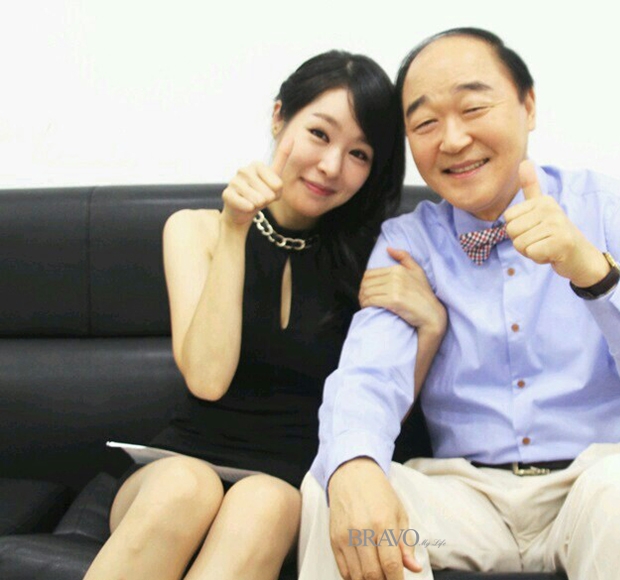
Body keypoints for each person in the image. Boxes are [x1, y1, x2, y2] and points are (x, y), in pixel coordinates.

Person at [298, 29, 620, 580]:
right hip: (466, 499)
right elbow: (368, 374)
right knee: (335, 488)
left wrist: (594, 274)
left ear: (529, 105)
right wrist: (353, 465)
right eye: (425, 123)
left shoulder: (617, 211)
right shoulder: (409, 241)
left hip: (600, 480)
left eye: (473, 108)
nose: (452, 139)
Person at [83, 50, 448, 580]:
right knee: (186, 486)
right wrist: (235, 228)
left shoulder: (375, 253)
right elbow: (207, 379)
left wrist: (431, 327)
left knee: (264, 501)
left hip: (288, 488)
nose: (331, 166)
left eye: (359, 154)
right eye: (319, 134)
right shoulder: (195, 229)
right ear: (279, 117)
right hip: (179, 467)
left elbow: (381, 410)